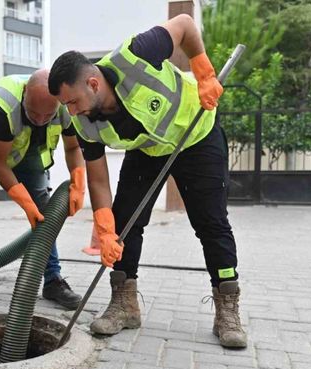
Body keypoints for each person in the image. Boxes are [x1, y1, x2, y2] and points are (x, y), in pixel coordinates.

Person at [48, 14, 247, 348]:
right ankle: (125, 304)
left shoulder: (135, 54)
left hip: (196, 134)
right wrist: (105, 228)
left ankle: (227, 308)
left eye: (72, 102)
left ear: (93, 84)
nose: (71, 111)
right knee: (125, 221)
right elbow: (98, 180)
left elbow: (183, 24)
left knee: (211, 223)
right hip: (150, 148)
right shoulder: (85, 123)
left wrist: (203, 72)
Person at [0, 69, 85, 316]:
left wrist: (78, 182)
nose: (40, 119)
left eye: (48, 115)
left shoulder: (65, 104)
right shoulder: (2, 105)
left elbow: (73, 147)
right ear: (25, 95)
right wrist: (25, 203)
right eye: (34, 113)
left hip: (28, 149)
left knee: (45, 214)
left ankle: (53, 280)